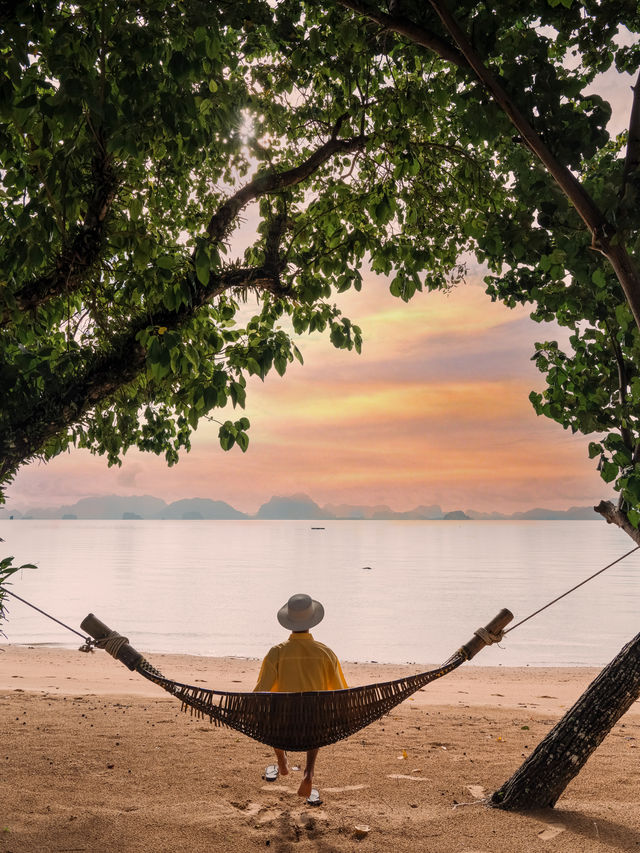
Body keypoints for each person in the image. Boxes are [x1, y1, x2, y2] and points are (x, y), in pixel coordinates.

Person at [254, 593, 347, 799]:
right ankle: (309, 771)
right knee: (316, 713)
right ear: (312, 622)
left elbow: (259, 693)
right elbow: (341, 695)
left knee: (273, 711)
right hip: (313, 729)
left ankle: (281, 760)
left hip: (282, 729)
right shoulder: (326, 653)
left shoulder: (276, 653)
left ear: (288, 622)